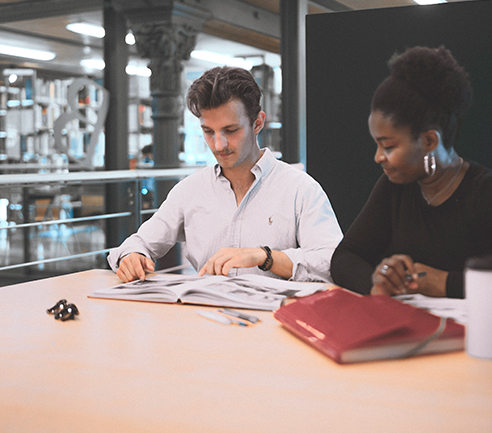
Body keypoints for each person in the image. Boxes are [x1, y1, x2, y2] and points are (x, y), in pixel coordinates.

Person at [108, 66, 343, 283]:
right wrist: (132, 255)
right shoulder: (190, 190)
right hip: (206, 318)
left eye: (231, 130)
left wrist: (265, 257)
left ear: (258, 123)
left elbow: (332, 262)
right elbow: (138, 242)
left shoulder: (300, 189)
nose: (219, 145)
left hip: (275, 321)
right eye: (208, 131)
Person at [330, 46, 492, 299]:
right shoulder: (394, 187)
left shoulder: (483, 192)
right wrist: (377, 282)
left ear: (429, 141)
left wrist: (446, 283)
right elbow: (345, 257)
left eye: (389, 146)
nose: (378, 157)